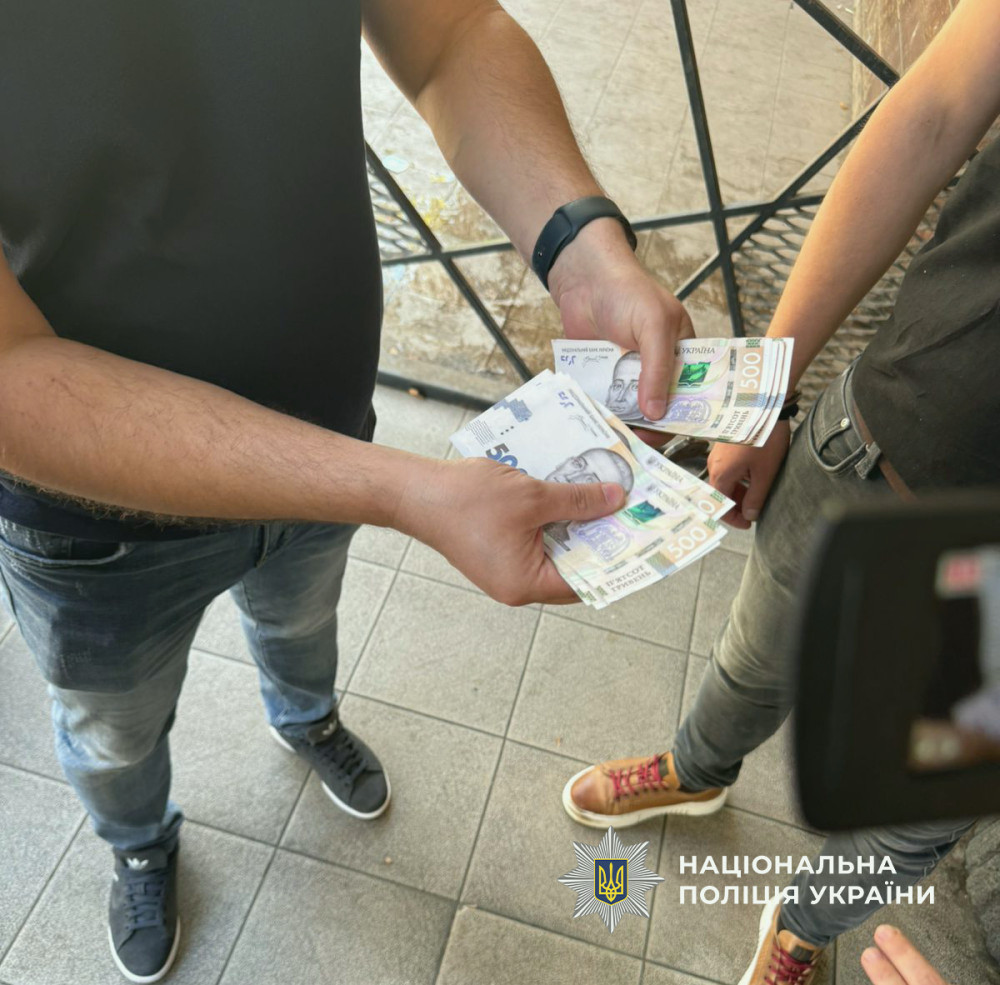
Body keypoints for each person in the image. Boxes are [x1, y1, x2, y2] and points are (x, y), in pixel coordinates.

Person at [0, 1, 694, 980]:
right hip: (93, 527)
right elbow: (11, 369)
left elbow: (450, 36)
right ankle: (140, 841)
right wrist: (404, 492)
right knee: (114, 735)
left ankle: (306, 719)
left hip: (329, 436)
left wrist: (580, 245)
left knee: (301, 625)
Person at [562, 0, 1000, 982]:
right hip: (876, 447)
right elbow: (933, 111)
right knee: (756, 656)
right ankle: (695, 770)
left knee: (917, 811)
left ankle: (804, 926)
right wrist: (766, 389)